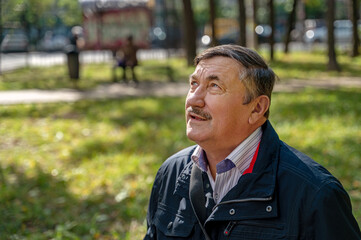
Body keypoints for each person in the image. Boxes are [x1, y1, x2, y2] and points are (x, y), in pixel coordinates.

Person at [144, 45, 361, 239]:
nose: (193, 99)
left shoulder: (315, 194)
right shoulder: (170, 172)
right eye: (193, 84)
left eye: (214, 87)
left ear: (257, 108)